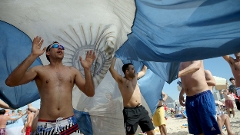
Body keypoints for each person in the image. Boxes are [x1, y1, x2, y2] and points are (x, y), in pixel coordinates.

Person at [5, 36, 96, 134]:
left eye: (62, 47)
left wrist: (87, 69)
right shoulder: (39, 70)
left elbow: (90, 92)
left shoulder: (73, 71)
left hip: (69, 124)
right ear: (47, 52)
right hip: (46, 126)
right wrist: (33, 55)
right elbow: (11, 82)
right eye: (56, 46)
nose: (60, 48)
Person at [109, 58, 154, 135]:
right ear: (127, 71)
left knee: (151, 132)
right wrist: (115, 56)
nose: (135, 70)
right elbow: (111, 69)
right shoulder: (121, 80)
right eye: (132, 69)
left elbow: (143, 71)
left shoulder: (135, 78)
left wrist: (146, 59)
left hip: (141, 109)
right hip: (130, 112)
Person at [178, 60, 221, 135]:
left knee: (210, 130)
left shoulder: (194, 51)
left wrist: (179, 73)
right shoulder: (180, 60)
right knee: (196, 131)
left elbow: (196, 65)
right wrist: (181, 94)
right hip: (189, 99)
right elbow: (186, 80)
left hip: (202, 96)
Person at [205, 70, 235, 135]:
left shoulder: (207, 93)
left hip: (212, 120)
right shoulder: (207, 93)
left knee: (225, 116)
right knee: (220, 117)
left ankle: (228, 132)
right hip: (211, 123)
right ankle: (222, 132)